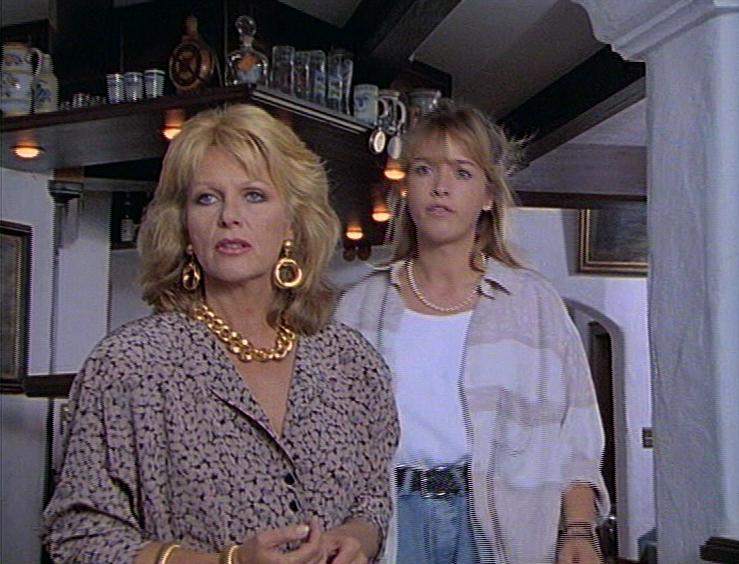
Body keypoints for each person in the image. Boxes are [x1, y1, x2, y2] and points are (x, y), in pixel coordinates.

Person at [44, 104, 399, 564]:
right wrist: (227, 562)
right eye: (207, 199)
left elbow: (372, 499)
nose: (230, 216)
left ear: (292, 222)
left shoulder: (351, 362)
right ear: (184, 227)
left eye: (254, 196)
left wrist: (356, 538)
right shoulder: (131, 364)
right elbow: (78, 536)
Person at [335, 100, 609, 564]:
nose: (440, 187)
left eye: (462, 172)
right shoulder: (358, 306)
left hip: (505, 526)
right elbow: (332, 440)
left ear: (487, 195)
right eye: (424, 169)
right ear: (407, 188)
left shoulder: (532, 303)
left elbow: (576, 434)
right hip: (390, 523)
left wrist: (579, 530)